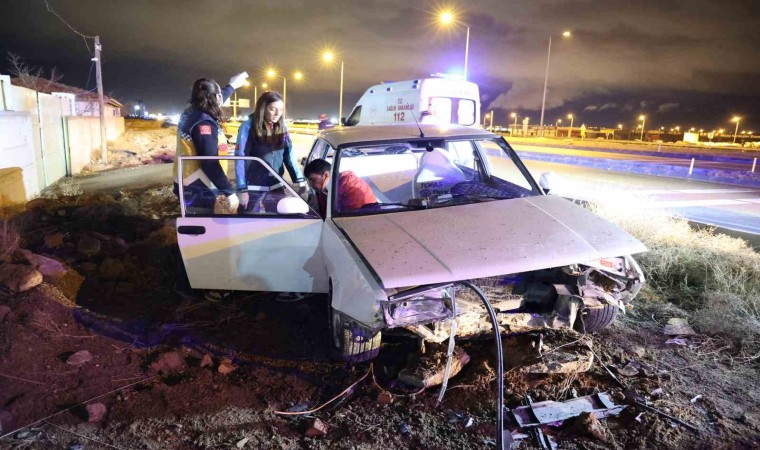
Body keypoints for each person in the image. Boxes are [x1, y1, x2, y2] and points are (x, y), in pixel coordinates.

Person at [173, 72, 249, 300]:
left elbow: (218, 97)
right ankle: (200, 285)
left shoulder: (192, 112)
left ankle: (189, 283)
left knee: (195, 233)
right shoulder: (204, 123)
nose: (221, 100)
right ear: (213, 98)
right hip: (199, 188)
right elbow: (210, 164)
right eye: (219, 96)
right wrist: (229, 190)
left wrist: (232, 85)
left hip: (188, 183)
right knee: (205, 237)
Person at [235, 91, 305, 209]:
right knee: (248, 218)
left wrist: (299, 179)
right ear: (263, 108)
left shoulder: (282, 127)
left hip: (275, 184)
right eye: (273, 109)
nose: (278, 113)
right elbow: (240, 157)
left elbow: (289, 155)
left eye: (281, 109)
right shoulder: (248, 126)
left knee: (280, 216)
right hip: (253, 187)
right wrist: (242, 188)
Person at [304, 159, 377, 217]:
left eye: (312, 179)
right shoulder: (324, 191)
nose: (311, 185)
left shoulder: (351, 185)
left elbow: (350, 216)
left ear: (326, 175)